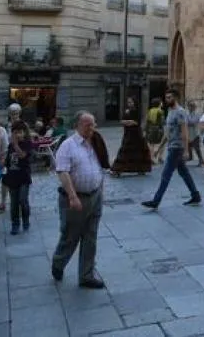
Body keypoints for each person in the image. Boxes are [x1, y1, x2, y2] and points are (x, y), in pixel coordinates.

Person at [51, 111, 109, 288]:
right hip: (75, 198)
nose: (92, 128)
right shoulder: (68, 145)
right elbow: (62, 171)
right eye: (87, 124)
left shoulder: (96, 142)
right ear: (77, 125)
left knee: (91, 237)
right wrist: (72, 196)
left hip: (94, 196)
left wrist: (100, 189)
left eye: (93, 124)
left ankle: (86, 274)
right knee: (70, 236)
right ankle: (58, 263)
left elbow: (101, 166)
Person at [142, 88, 203, 209]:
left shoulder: (180, 112)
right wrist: (159, 148)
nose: (167, 99)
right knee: (184, 173)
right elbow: (168, 133)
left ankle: (156, 200)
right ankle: (195, 195)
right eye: (166, 97)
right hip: (172, 146)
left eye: (170, 97)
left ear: (176, 98)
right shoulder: (170, 111)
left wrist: (186, 150)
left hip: (177, 148)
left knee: (166, 174)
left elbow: (184, 132)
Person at [2, 121, 33, 235]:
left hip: (24, 177)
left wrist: (16, 145)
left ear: (24, 133)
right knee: (14, 202)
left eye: (20, 132)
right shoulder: (10, 146)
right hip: (12, 177)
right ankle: (15, 224)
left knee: (23, 200)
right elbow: (8, 162)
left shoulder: (27, 144)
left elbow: (23, 156)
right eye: (15, 132)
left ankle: (26, 220)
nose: (17, 135)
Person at [111, 97, 152, 176]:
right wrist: (129, 122)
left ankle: (141, 169)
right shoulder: (126, 111)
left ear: (134, 103)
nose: (129, 104)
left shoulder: (137, 111)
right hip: (128, 134)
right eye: (128, 102)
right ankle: (117, 169)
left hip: (136, 134)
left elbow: (136, 122)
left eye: (131, 102)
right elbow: (122, 121)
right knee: (124, 151)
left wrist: (129, 122)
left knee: (138, 152)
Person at [145, 98, 165, 164]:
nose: (162, 103)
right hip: (158, 129)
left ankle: (151, 158)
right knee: (162, 143)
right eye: (161, 102)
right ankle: (160, 157)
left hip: (151, 129)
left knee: (151, 144)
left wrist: (146, 130)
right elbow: (162, 122)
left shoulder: (150, 111)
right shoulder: (160, 111)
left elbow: (147, 121)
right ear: (159, 104)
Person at [186, 100, 204, 167]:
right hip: (188, 133)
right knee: (188, 148)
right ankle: (189, 158)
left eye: (192, 106)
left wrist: (187, 121)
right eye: (190, 106)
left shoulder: (197, 114)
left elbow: (193, 122)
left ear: (195, 107)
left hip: (195, 133)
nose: (191, 107)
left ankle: (201, 161)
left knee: (197, 148)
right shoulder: (186, 113)